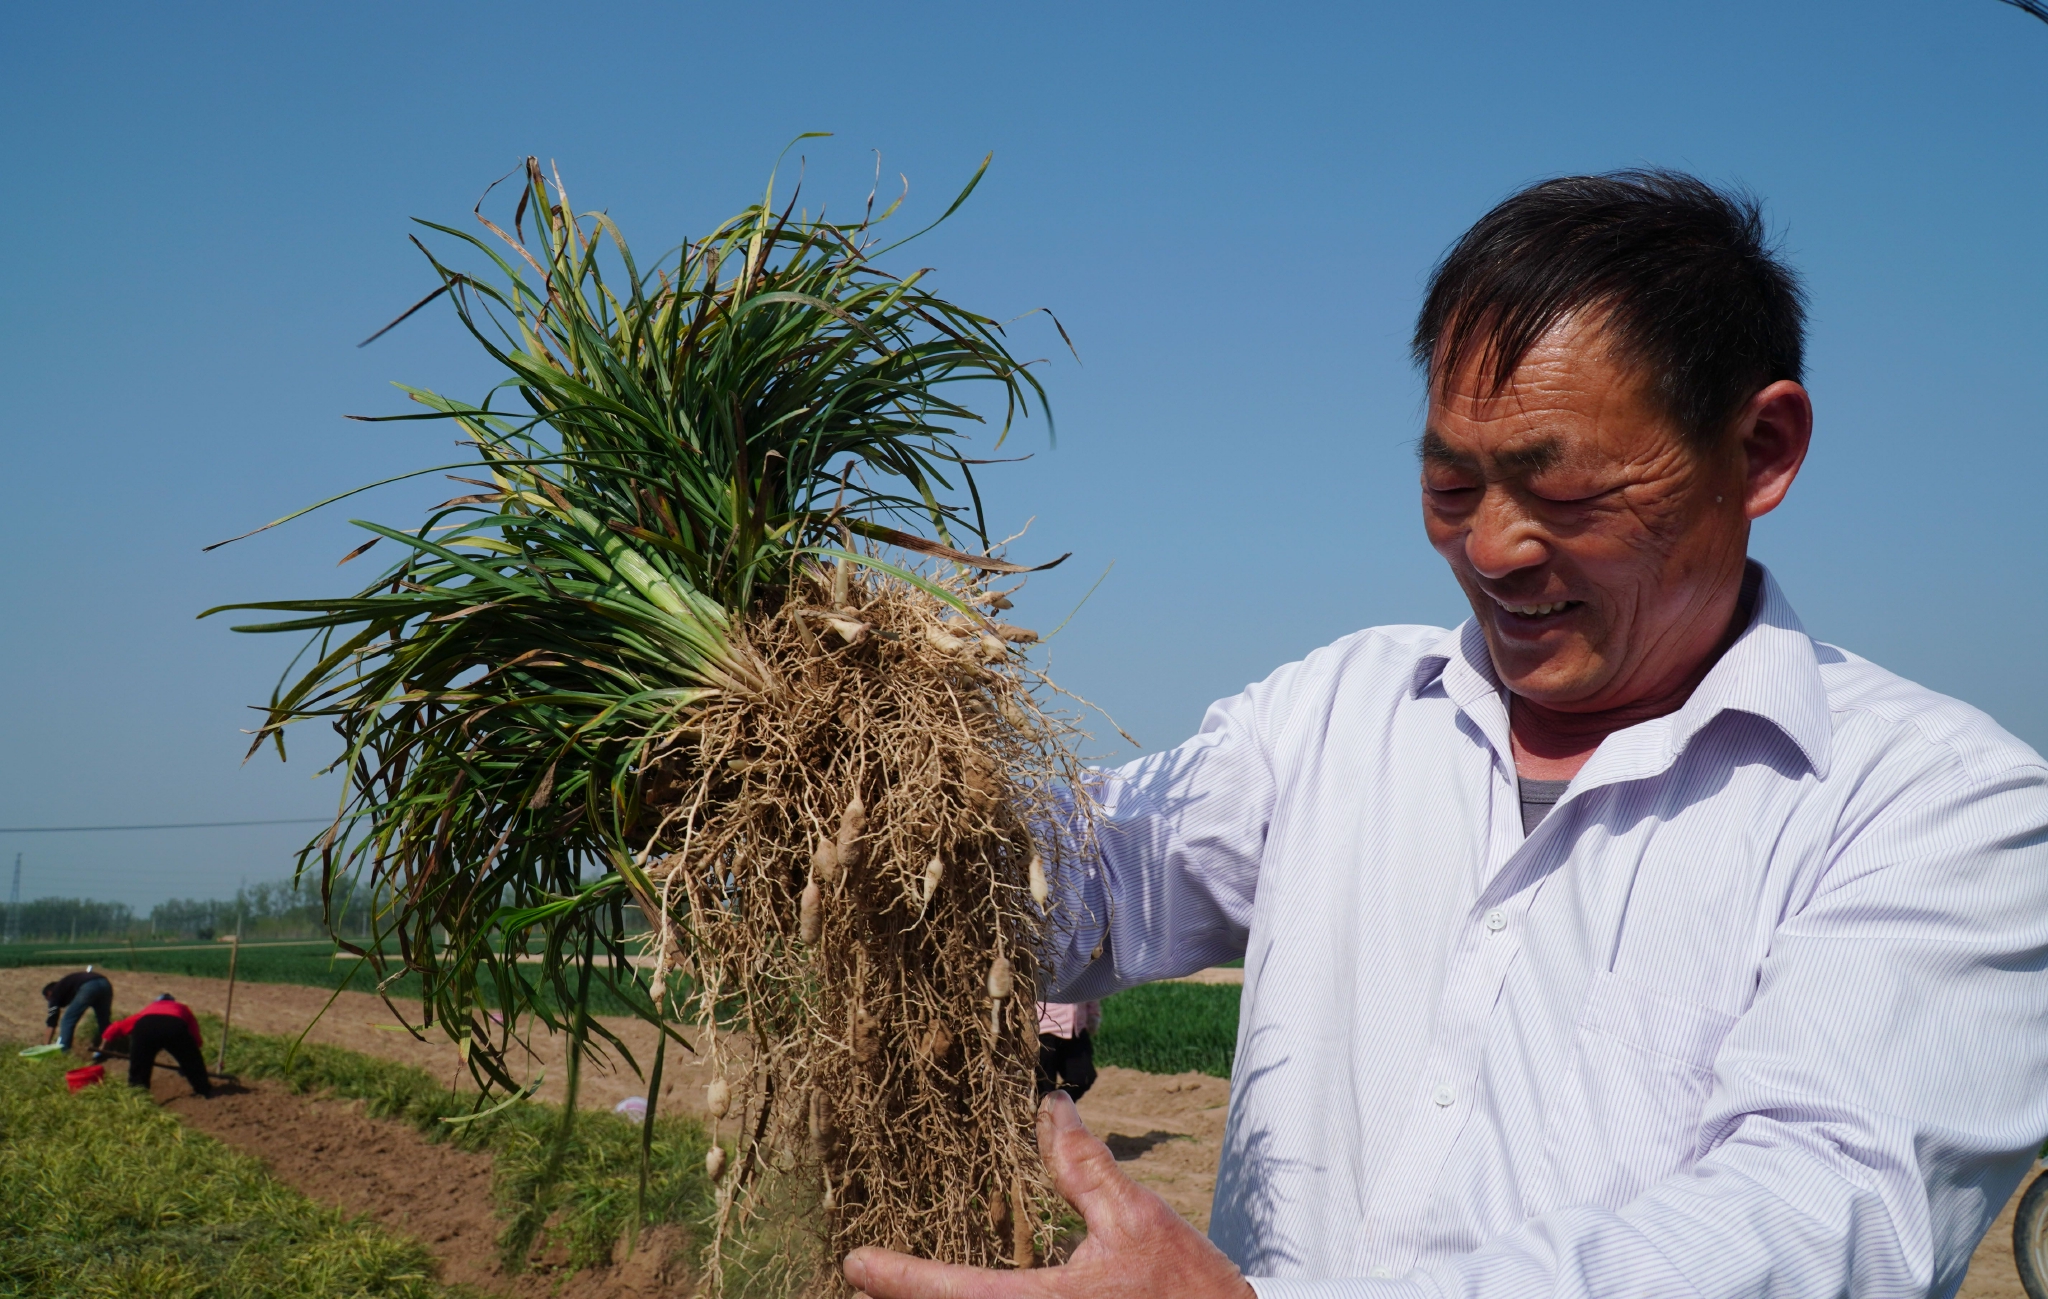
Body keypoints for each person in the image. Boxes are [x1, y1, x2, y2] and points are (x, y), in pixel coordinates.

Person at [843, 170, 2048, 1299]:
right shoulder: (1337, 713)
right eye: (1451, 487)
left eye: (1562, 489)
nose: (1493, 549)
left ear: (1760, 450)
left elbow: (1811, 1220)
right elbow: (1061, 882)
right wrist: (801, 772)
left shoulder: (1938, 807)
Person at [101, 993, 213, 1097]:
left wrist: (102, 1047)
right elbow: (194, 1034)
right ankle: (204, 1090)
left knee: (139, 1065)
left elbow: (119, 1027)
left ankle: (138, 1097)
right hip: (173, 1027)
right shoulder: (181, 1007)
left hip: (145, 1028)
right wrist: (190, 1059)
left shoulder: (148, 1010)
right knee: (193, 1062)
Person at [1035, 1000, 1101, 1102]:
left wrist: (1093, 1012)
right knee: (1043, 1088)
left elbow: (1091, 986)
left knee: (1083, 1077)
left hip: (1076, 1028)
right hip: (1043, 1028)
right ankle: (1045, 1113)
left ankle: (1055, 1109)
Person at [40, 966, 112, 1053]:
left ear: (49, 994)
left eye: (48, 1000)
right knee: (103, 1020)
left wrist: (45, 1047)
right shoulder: (66, 986)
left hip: (88, 986)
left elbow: (51, 1021)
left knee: (67, 1020)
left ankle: (64, 1052)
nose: (50, 1003)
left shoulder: (54, 993)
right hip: (105, 983)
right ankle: (105, 1048)